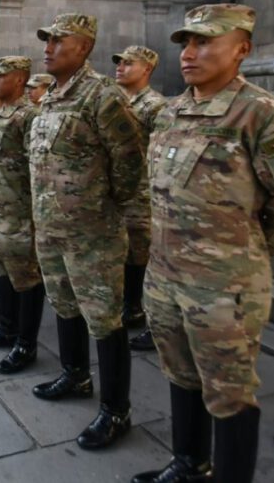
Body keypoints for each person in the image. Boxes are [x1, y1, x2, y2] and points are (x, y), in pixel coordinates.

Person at [133, 4, 274, 483]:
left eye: (205, 42)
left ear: (242, 49)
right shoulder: (173, 110)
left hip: (224, 290)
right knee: (180, 375)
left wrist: (248, 249)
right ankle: (188, 463)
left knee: (228, 393)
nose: (190, 52)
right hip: (164, 276)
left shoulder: (264, 116)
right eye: (186, 42)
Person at [29, 13, 144, 450]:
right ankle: (76, 375)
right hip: (50, 226)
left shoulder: (101, 96)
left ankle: (116, 410)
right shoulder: (51, 98)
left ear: (83, 47)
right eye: (47, 41)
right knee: (63, 304)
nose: (49, 47)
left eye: (58, 40)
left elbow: (131, 160)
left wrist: (100, 206)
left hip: (91, 232)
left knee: (105, 319)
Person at [0, 56, 44, 374]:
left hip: (19, 214)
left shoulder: (29, 116)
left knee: (26, 279)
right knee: (3, 272)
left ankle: (26, 344)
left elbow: (38, 170)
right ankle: (6, 328)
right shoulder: (0, 115)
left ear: (18, 80)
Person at [112, 46, 168, 351]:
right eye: (119, 62)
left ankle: (145, 314)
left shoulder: (154, 106)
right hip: (122, 196)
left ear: (146, 69)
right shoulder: (119, 101)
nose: (120, 67)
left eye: (128, 63)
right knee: (127, 255)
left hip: (142, 197)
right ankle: (130, 307)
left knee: (143, 258)